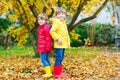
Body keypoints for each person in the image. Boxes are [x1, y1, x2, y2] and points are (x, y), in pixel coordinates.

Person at [50, 7, 70, 78]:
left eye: (62, 14)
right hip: (59, 44)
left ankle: (60, 72)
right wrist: (57, 38)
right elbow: (52, 31)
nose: (61, 15)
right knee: (59, 57)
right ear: (56, 15)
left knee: (61, 57)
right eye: (59, 14)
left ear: (64, 15)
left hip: (63, 44)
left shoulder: (63, 23)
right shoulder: (57, 22)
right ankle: (56, 73)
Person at [37, 13, 52, 78]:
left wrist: (47, 47)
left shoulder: (46, 27)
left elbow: (48, 38)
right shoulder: (41, 27)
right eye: (39, 19)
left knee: (43, 59)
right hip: (43, 46)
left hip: (45, 47)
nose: (40, 21)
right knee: (46, 59)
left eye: (42, 20)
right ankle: (49, 72)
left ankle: (48, 73)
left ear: (46, 20)